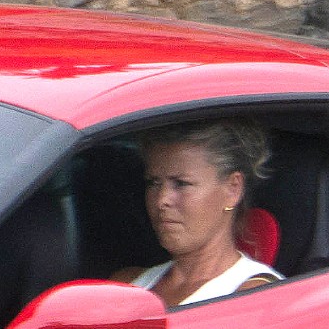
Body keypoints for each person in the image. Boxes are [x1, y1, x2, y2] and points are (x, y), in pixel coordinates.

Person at [115, 120, 281, 307]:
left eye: (181, 184)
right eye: (153, 183)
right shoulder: (126, 283)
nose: (161, 200)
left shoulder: (256, 297)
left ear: (233, 189)